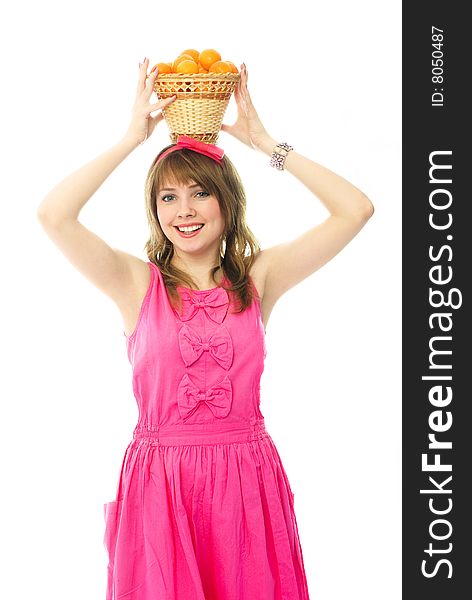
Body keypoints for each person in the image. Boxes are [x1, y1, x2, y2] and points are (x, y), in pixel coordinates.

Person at [37, 57, 374, 599]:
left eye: (200, 192)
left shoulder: (259, 278)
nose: (184, 210)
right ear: (154, 209)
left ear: (226, 202)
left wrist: (264, 142)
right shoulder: (133, 283)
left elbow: (355, 210)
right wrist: (131, 139)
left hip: (245, 481)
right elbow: (54, 215)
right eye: (168, 196)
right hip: (161, 487)